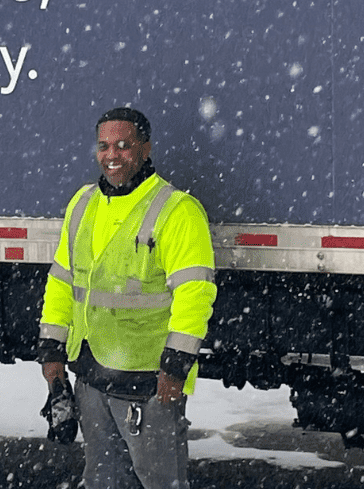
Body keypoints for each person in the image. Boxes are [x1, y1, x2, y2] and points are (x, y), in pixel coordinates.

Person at [38, 107, 217, 489]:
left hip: (148, 381)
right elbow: (62, 281)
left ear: (145, 149)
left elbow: (194, 293)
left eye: (123, 145)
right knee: (104, 480)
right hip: (92, 375)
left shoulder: (177, 211)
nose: (112, 155)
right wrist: (52, 350)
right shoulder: (83, 204)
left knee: (159, 481)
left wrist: (176, 364)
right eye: (104, 146)